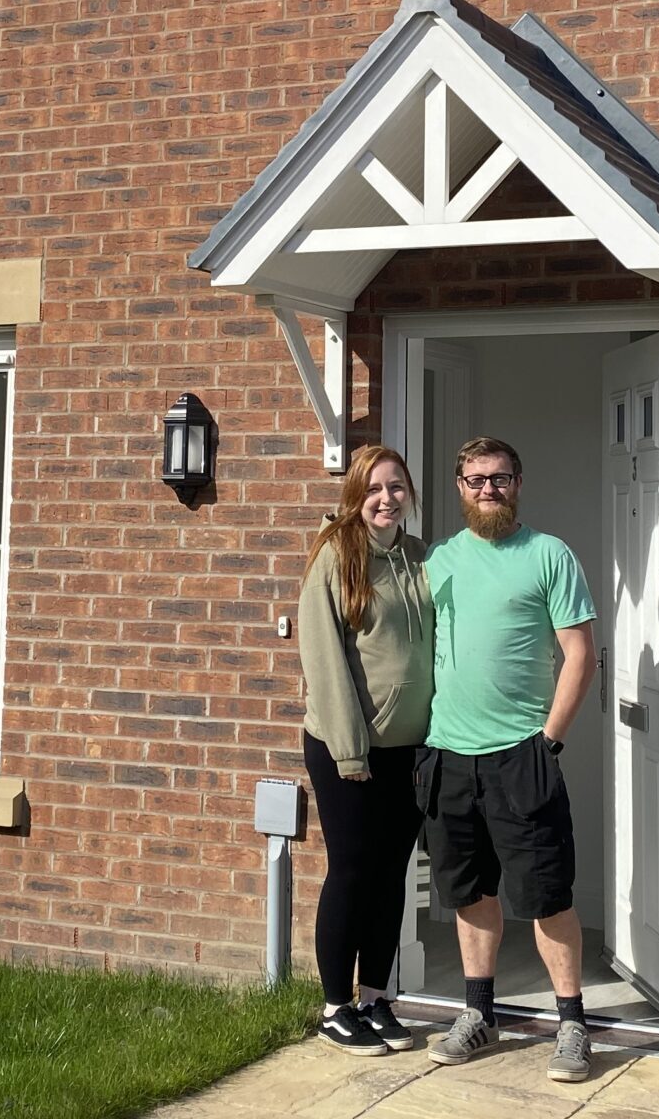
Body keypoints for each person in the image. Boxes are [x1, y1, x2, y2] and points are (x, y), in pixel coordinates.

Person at [418, 434, 598, 1085]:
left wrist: (548, 742)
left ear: (519, 482)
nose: (487, 489)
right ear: (459, 488)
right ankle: (478, 1015)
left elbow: (581, 655)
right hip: (448, 756)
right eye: (474, 479)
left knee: (547, 896)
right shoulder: (439, 562)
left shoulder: (549, 555)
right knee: (472, 893)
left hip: (522, 755)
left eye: (499, 477)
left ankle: (573, 1025)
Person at [297, 443, 435, 1056]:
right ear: (356, 495)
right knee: (352, 872)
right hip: (346, 749)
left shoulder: (418, 558)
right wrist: (352, 752)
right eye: (375, 489)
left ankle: (377, 998)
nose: (387, 499)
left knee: (390, 874)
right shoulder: (335, 557)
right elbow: (325, 662)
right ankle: (335, 1006)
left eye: (397, 488)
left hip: (408, 750)